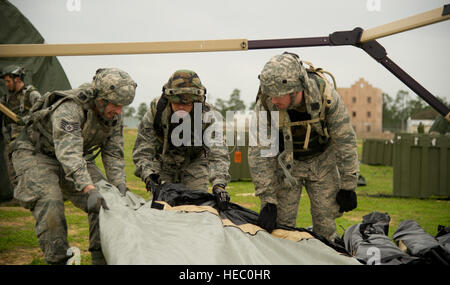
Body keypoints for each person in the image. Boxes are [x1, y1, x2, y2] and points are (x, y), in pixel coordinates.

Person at [10, 68, 137, 264]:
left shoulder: (114, 116)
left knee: (108, 199)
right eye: (116, 105)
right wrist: (88, 187)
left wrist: (118, 185)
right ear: (101, 99)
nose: (119, 112)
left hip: (76, 157)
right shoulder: (70, 108)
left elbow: (113, 153)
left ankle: (100, 258)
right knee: (50, 200)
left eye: (123, 106)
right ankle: (58, 259)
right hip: (37, 154)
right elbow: (68, 153)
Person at [248, 52, 359, 241]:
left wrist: (348, 185)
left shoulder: (327, 97)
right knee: (280, 228)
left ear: (295, 90)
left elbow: (345, 140)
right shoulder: (266, 105)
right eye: (270, 95)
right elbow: (259, 152)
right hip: (287, 165)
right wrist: (267, 199)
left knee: (325, 226)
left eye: (278, 96)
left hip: (322, 162)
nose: (273, 100)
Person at [132, 70, 231, 210]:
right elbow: (143, 150)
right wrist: (149, 175)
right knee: (160, 211)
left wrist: (219, 185)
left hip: (194, 165)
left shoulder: (206, 116)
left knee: (197, 211)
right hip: (163, 165)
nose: (182, 108)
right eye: (177, 103)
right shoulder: (156, 113)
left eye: (187, 104)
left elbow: (218, 152)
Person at [0, 65, 41, 190]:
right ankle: (20, 198)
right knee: (13, 171)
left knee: (28, 170)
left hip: (27, 142)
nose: (6, 84)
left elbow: (42, 113)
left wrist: (26, 120)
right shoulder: (6, 98)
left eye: (8, 81)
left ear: (17, 79)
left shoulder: (32, 94)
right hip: (10, 142)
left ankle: (34, 196)